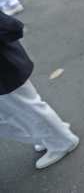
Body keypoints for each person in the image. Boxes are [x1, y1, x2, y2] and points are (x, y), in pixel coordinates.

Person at [0, 11, 79, 169]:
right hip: (6, 67)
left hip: (4, 69)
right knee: (17, 111)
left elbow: (12, 27)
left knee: (26, 108)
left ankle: (62, 142)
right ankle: (53, 136)